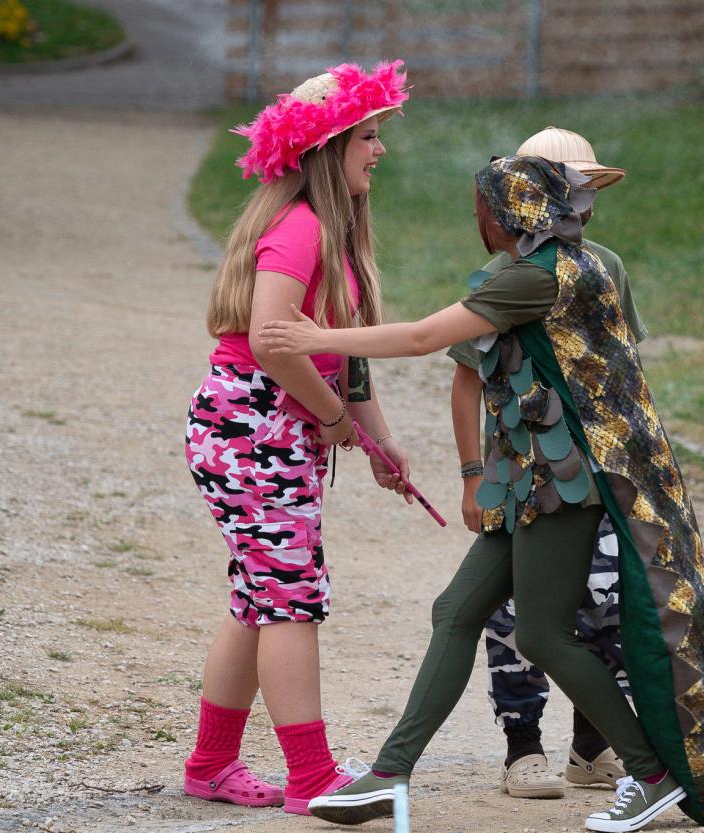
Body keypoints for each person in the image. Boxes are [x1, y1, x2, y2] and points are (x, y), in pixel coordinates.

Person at [259, 156, 704, 832]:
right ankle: (388, 776)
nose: (473, 218)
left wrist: (314, 336)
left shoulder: (528, 277)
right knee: (455, 610)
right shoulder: (581, 260)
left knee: (540, 633)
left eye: (479, 207)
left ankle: (650, 774)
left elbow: (424, 336)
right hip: (537, 476)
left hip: (560, 484)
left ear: (500, 215)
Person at [182, 60, 411, 816]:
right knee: (291, 601)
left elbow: (335, 356)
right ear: (326, 150)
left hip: (261, 426)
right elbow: (275, 340)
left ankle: (212, 764)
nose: (378, 150)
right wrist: (333, 422)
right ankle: (311, 776)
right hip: (254, 424)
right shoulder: (302, 227)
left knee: (259, 596)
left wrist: (377, 441)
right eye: (367, 138)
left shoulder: (331, 232)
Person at [448, 127, 647, 799]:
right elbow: (467, 379)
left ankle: (590, 749)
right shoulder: (507, 275)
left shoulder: (606, 266)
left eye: (589, 188)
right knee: (512, 616)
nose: (584, 201)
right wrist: (473, 474)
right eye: (573, 187)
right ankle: (521, 747)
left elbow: (625, 370)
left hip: (595, 473)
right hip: (518, 473)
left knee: (608, 600)